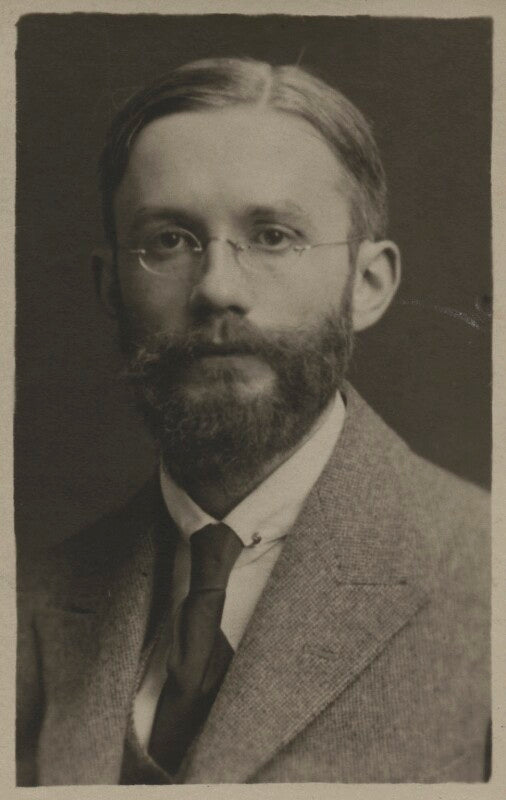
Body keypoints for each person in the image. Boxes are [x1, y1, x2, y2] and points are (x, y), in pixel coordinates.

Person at [16, 57, 490, 786]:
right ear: (110, 285)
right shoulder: (32, 603)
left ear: (367, 284)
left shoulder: (484, 576)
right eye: (169, 240)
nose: (217, 288)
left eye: (273, 236)